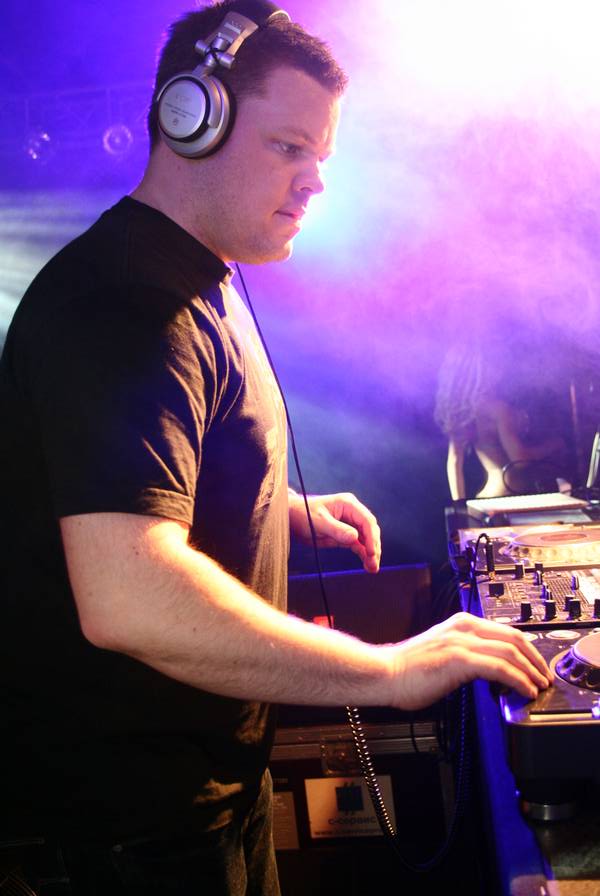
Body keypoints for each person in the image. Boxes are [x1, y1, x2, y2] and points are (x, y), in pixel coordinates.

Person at [0, 2, 552, 893]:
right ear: (192, 119)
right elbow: (127, 598)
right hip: (123, 832)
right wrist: (388, 671)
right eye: (289, 147)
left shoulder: (200, 280)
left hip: (204, 796)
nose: (314, 183)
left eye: (321, 157)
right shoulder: (120, 305)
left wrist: (278, 507)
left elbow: (132, 478)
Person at [434, 330, 570, 500]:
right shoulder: (498, 409)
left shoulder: (466, 411)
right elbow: (519, 459)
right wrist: (553, 445)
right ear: (483, 369)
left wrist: (459, 505)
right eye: (496, 362)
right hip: (510, 498)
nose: (501, 368)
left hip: (489, 498)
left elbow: (454, 461)